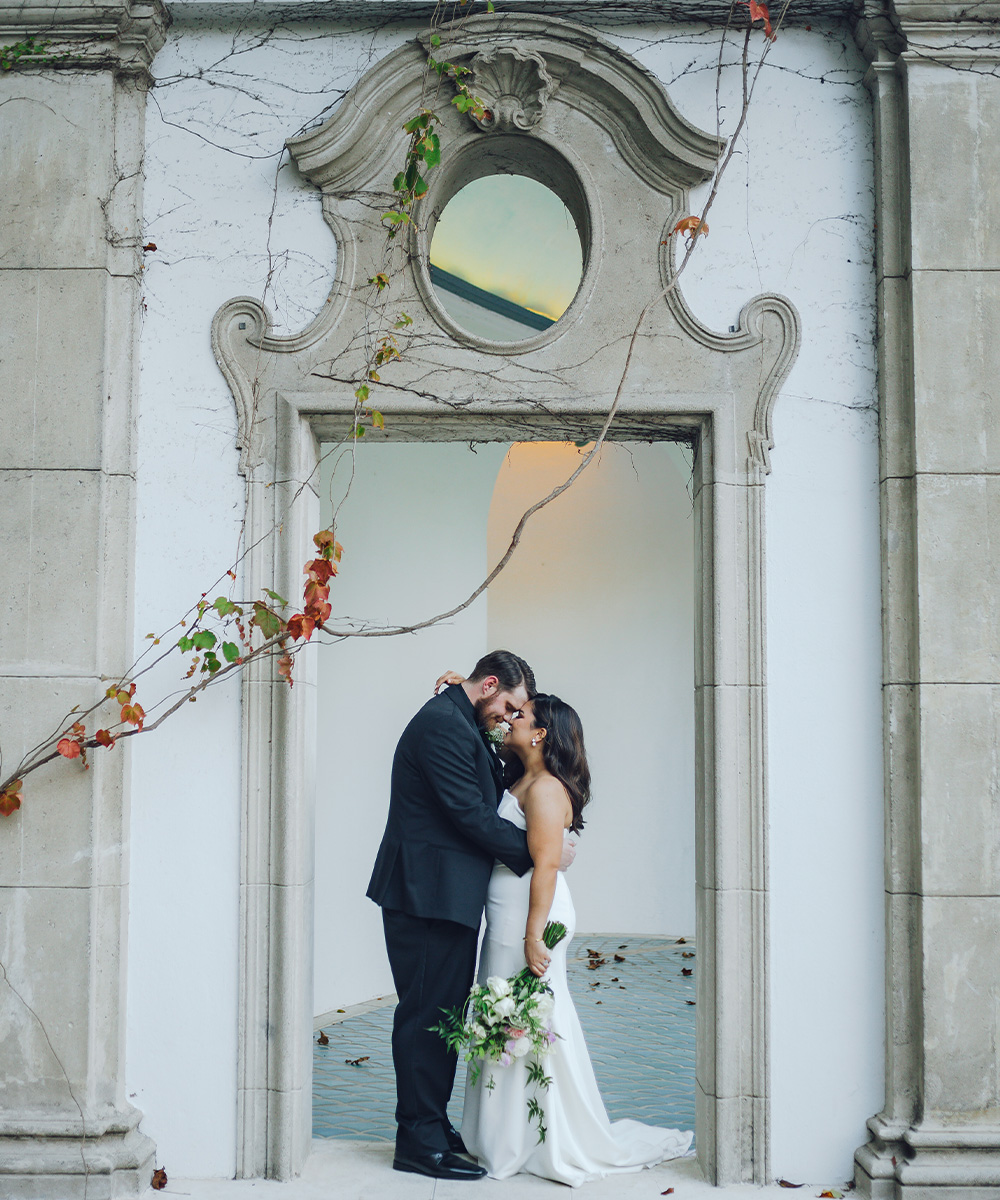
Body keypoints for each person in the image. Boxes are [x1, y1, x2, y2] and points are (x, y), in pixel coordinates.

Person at [461, 692, 694, 1186]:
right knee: (505, 1016)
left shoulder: (544, 788)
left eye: (519, 715)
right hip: (508, 907)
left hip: (530, 913)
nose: (508, 719)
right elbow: (485, 727)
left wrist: (532, 934)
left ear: (541, 733)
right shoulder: (521, 776)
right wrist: (465, 684)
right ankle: (505, 1136)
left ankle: (536, 1140)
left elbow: (545, 865)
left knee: (530, 1020)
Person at [366, 650, 538, 1182]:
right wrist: (541, 847)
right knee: (424, 1017)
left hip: (443, 896)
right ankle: (417, 1142)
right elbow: (470, 813)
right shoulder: (442, 725)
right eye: (509, 706)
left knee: (442, 1016)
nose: (509, 719)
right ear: (490, 685)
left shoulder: (459, 716)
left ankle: (433, 1127)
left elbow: (486, 781)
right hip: (425, 896)